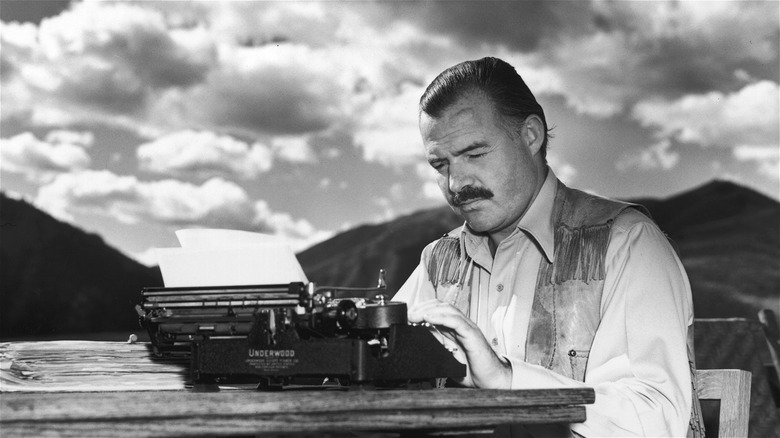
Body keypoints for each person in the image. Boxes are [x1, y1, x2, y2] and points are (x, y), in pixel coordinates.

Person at [393, 57, 703, 437]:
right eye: (440, 165)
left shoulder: (626, 242)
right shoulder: (437, 261)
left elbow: (654, 421)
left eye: (474, 154)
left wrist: (507, 379)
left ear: (531, 136)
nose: (457, 183)